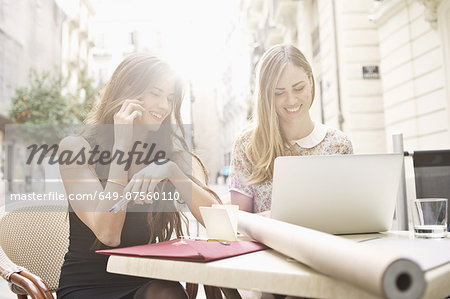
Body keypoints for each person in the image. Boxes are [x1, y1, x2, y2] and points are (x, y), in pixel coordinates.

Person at [57, 53, 220, 299]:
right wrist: (122, 144)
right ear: (127, 91)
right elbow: (108, 235)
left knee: (169, 292)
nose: (164, 106)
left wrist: (172, 171)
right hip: (87, 286)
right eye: (155, 94)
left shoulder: (170, 157)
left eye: (170, 98)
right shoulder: (77, 149)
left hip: (144, 279)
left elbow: (221, 222)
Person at [229, 44, 353, 215]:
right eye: (279, 93)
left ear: (310, 81)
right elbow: (238, 223)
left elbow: (347, 213)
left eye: (299, 88)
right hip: (266, 243)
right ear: (266, 95)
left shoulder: (338, 144)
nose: (291, 100)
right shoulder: (248, 145)